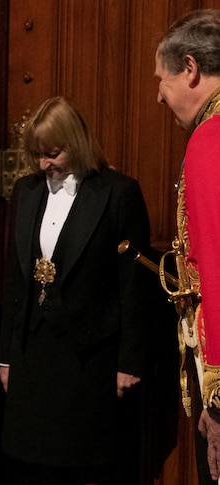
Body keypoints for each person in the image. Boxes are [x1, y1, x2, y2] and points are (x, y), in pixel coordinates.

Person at [0, 96, 151, 484]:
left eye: (52, 154)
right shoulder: (27, 191)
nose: (43, 165)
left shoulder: (118, 193)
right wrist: (6, 357)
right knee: (31, 464)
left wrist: (129, 361)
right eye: (37, 156)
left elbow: (133, 287)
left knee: (86, 465)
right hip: (33, 352)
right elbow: (15, 280)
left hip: (89, 357)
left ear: (77, 142)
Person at [155, 9, 220, 483]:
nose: (159, 95)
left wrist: (217, 402)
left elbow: (216, 266)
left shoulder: (210, 138)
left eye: (163, 79)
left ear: (191, 69)